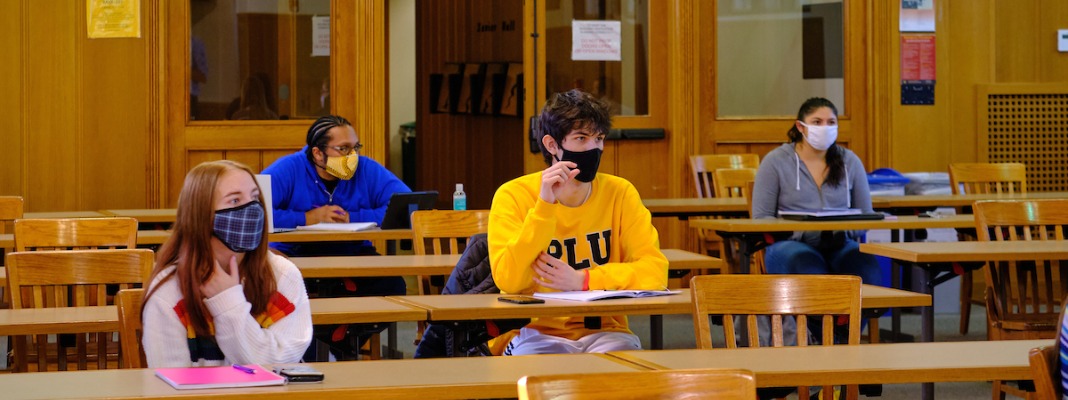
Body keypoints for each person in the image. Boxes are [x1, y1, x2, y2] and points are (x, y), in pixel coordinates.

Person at [488, 89, 668, 355]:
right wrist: (545, 207)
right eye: (581, 138)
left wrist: (584, 280)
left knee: (627, 382)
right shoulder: (513, 195)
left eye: (599, 138)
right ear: (552, 145)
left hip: (607, 331)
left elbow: (655, 272)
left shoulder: (620, 192)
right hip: (534, 332)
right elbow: (510, 281)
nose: (593, 149)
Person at [261, 115, 411, 359]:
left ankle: (334, 343)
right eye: (343, 149)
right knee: (285, 288)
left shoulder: (366, 169)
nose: (352, 156)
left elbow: (406, 205)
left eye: (355, 148)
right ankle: (324, 347)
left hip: (351, 252)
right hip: (295, 254)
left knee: (393, 285)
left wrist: (354, 217)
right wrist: (307, 218)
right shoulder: (288, 169)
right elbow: (258, 211)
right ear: (318, 153)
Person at [141, 160, 312, 368]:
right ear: (202, 215)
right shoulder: (168, 292)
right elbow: (170, 385)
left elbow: (275, 365)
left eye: (255, 197)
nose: (252, 209)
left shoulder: (283, 276)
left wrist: (228, 303)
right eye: (234, 201)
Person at [751, 97, 882, 286]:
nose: (825, 127)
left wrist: (839, 229)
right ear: (801, 126)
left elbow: (866, 215)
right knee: (810, 273)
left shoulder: (850, 161)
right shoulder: (775, 161)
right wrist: (802, 231)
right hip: (790, 244)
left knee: (868, 273)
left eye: (831, 122)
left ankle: (850, 317)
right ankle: (820, 317)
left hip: (840, 244)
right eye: (817, 122)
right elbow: (761, 218)